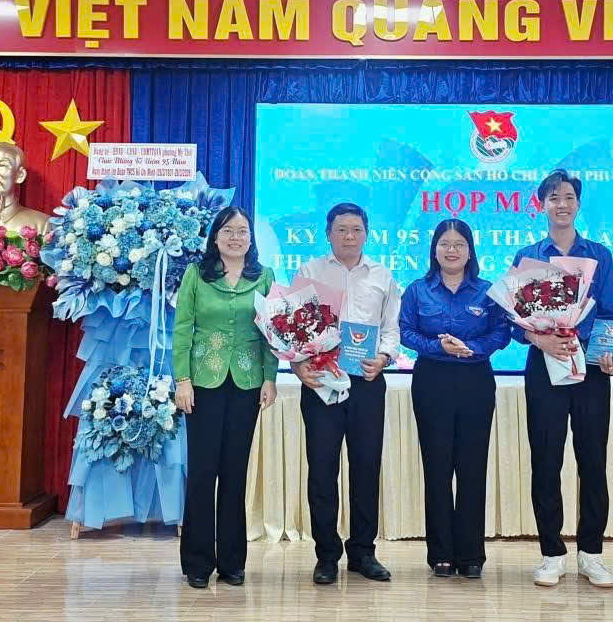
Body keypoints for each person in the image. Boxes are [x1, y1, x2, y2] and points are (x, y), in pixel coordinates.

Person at [510, 169, 613, 589]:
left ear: (578, 203)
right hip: (544, 368)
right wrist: (540, 339)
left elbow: (610, 313)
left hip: (589, 370)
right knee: (546, 460)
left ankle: (591, 553)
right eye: (554, 197)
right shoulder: (528, 256)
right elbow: (512, 319)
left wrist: (598, 349)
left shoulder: (600, 255)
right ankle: (552, 553)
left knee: (593, 461)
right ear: (542, 205)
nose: (562, 204)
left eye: (569, 197)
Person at [294, 202, 401, 585]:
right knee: (322, 470)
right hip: (321, 381)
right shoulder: (309, 272)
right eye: (341, 229)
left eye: (356, 229)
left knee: (366, 468)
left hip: (367, 383)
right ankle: (326, 556)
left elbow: (391, 329)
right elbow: (293, 326)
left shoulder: (382, 275)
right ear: (328, 234)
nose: (349, 236)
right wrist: (298, 365)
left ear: (366, 234)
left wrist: (384, 357)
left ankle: (363, 552)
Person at [172, 206, 279, 589]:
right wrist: (182, 380)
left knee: (235, 473)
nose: (236, 237)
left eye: (242, 231)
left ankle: (233, 561)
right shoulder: (196, 275)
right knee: (203, 473)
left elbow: (271, 332)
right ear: (215, 237)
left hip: (247, 383)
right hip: (203, 383)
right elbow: (183, 329)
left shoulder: (264, 276)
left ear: (251, 238)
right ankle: (198, 563)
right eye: (228, 231)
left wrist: (270, 378)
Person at [399, 219, 510, 579]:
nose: (451, 250)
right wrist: (438, 347)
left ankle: (471, 554)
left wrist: (471, 348)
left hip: (475, 379)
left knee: (472, 467)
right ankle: (441, 554)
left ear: (470, 251)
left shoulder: (487, 291)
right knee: (437, 466)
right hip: (431, 380)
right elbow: (405, 331)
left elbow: (502, 333)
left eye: (459, 244)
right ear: (434, 250)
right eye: (445, 244)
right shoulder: (417, 290)